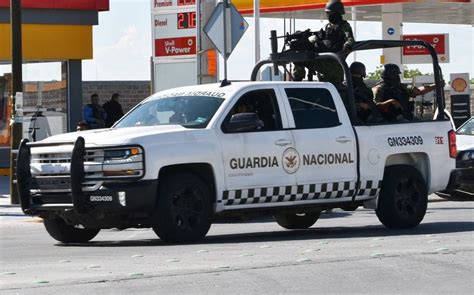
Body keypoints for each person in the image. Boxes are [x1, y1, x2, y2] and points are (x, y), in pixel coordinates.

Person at [293, 0, 355, 83]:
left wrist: (346, 47)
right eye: (328, 13)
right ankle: (297, 84)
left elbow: (350, 39)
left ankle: (297, 83)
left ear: (337, 13)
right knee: (299, 57)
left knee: (301, 59)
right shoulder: (326, 27)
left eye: (330, 13)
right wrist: (304, 38)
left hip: (333, 65)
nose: (328, 16)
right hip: (322, 61)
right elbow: (316, 37)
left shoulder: (344, 26)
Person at [373, 63, 440, 122]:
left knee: (423, 124)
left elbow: (418, 91)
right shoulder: (379, 89)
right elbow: (375, 106)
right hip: (389, 120)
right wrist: (390, 101)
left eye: (397, 75)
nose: (397, 78)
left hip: (406, 117)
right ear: (387, 77)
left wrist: (436, 85)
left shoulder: (402, 87)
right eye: (394, 75)